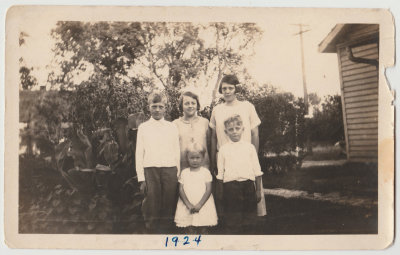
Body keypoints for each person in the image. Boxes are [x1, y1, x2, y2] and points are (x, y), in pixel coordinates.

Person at [209, 74, 267, 217]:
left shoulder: (247, 106)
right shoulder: (217, 110)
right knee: (227, 196)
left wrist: (254, 157)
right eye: (224, 88)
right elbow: (213, 136)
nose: (227, 91)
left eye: (230, 88)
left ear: (236, 90)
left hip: (245, 158)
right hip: (225, 158)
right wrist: (213, 160)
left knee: (249, 197)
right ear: (221, 91)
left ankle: (252, 222)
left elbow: (255, 134)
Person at [135, 90, 180, 233]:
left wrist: (177, 173)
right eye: (154, 106)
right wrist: (141, 178)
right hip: (150, 169)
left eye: (161, 106)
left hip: (170, 169)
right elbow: (139, 153)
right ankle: (151, 231)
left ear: (165, 108)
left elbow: (176, 150)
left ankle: (166, 232)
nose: (157, 110)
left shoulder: (172, 126)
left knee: (169, 202)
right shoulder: (143, 128)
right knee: (152, 202)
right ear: (149, 107)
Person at [216, 115, 263, 233]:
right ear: (226, 132)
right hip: (230, 187)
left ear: (243, 129)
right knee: (232, 219)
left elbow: (257, 171)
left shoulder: (250, 148)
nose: (234, 132)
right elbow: (220, 173)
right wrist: (221, 191)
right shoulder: (223, 149)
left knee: (249, 218)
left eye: (237, 128)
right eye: (231, 129)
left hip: (248, 186)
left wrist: (258, 190)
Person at [174, 142, 218, 233]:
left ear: (202, 158)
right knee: (189, 228)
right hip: (188, 203)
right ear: (187, 158)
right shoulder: (184, 172)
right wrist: (188, 205)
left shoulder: (205, 172)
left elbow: (208, 190)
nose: (195, 160)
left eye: (197, 158)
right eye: (192, 158)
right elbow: (181, 189)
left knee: (203, 227)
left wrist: (200, 205)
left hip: (203, 204)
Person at [173, 90, 211, 170]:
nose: (190, 106)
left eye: (193, 103)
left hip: (203, 167)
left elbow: (209, 144)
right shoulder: (175, 124)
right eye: (187, 103)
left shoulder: (205, 122)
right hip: (183, 167)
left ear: (197, 105)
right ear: (181, 106)